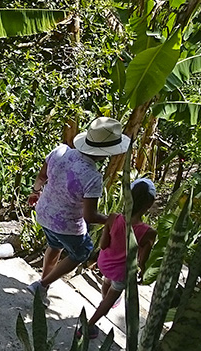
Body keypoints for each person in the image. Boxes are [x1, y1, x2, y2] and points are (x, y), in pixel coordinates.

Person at [26, 117, 130, 303]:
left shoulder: (61, 151)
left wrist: (35, 192)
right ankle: (40, 285)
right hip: (66, 224)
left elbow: (41, 176)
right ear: (106, 153)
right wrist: (112, 219)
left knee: (54, 245)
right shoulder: (92, 176)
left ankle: (44, 286)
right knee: (82, 251)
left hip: (44, 213)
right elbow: (89, 216)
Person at [79, 178, 158, 338]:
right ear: (149, 205)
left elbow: (103, 244)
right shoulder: (148, 232)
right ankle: (88, 326)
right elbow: (143, 260)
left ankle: (106, 298)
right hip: (122, 271)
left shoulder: (114, 217)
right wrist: (142, 271)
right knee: (109, 301)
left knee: (108, 281)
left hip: (104, 263)